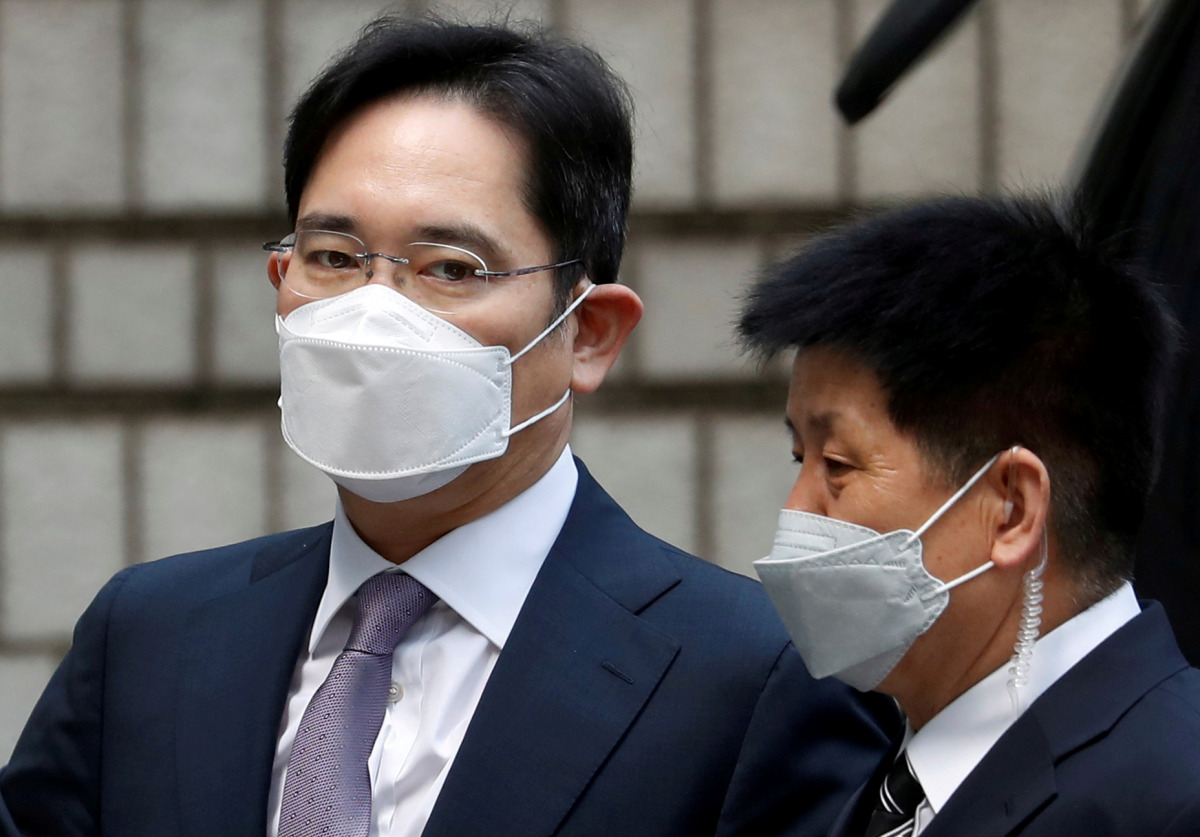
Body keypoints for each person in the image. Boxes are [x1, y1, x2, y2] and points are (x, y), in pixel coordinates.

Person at [0, 16, 895, 837]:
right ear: (281, 281)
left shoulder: (755, 680)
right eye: (334, 257)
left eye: (451, 267)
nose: (374, 312)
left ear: (588, 334)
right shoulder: (150, 637)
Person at [739, 194, 1200, 836]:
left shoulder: (1173, 797)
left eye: (838, 464)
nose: (797, 510)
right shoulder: (878, 778)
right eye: (800, 457)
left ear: (1011, 509)